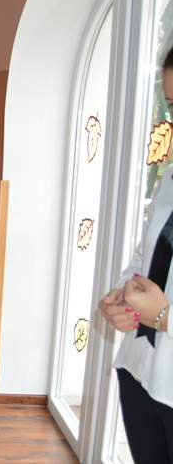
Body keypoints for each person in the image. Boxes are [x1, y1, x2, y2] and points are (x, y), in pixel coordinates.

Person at [99, 45, 173, 464]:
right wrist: (120, 295)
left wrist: (164, 317)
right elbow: (148, 251)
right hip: (140, 369)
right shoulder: (171, 176)